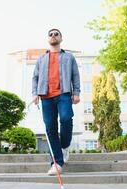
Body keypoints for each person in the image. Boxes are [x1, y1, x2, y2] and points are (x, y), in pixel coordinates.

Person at [32, 28, 81, 175]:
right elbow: (35, 77)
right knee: (50, 128)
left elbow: (75, 76)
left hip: (64, 94)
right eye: (50, 34)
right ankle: (56, 163)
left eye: (56, 34)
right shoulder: (41, 59)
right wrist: (35, 94)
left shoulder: (69, 57)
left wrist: (76, 93)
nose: (53, 36)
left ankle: (64, 146)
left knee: (66, 119)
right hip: (45, 97)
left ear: (61, 38)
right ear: (48, 39)